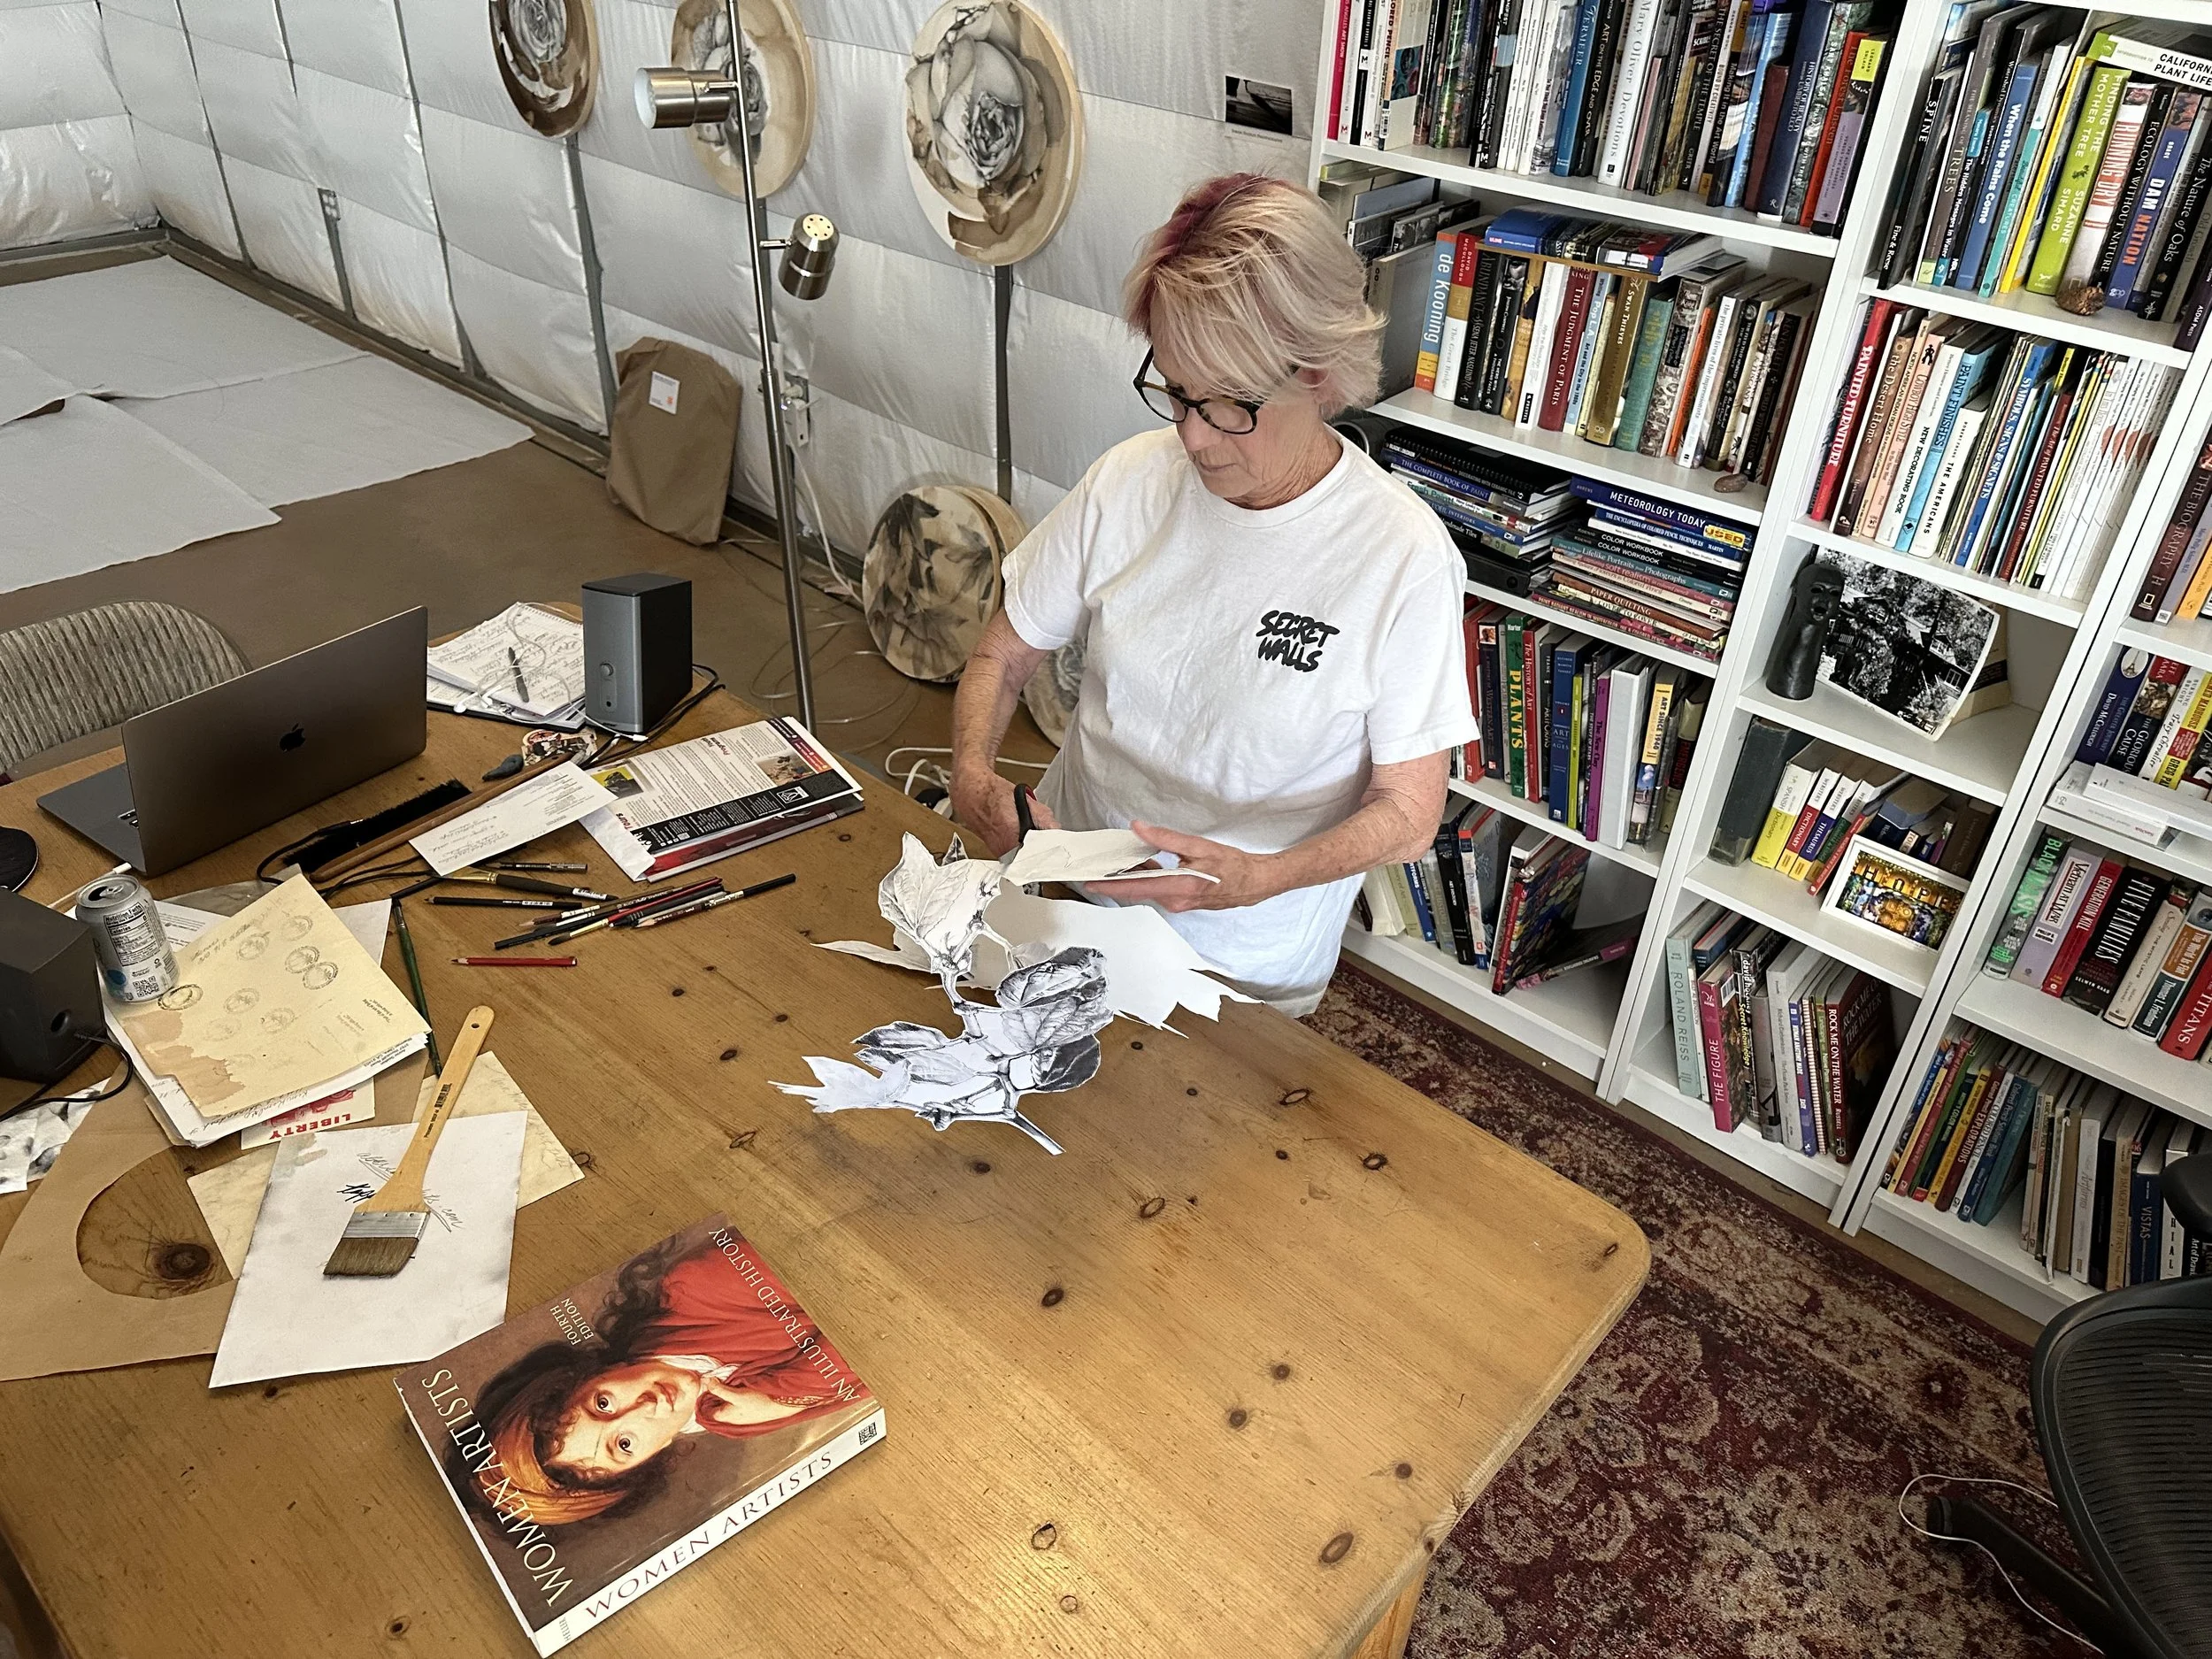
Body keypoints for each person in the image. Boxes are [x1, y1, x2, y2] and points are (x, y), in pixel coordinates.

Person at [949, 173, 1476, 1016]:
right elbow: (1004, 654)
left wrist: (1261, 877)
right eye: (1177, 391)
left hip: (1239, 959)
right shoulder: (1129, 481)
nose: (1193, 436)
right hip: (1070, 888)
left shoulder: (1401, 558)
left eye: (1229, 403)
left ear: (1319, 374)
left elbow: (1410, 814)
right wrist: (973, 771)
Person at [462, 1234, 870, 1527]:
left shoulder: (698, 1285)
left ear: (591, 1373)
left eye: (603, 1404)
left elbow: (859, 1305)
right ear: (646, 1462)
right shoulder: (729, 1418)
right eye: (624, 1445)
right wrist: (773, 1403)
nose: (645, 1408)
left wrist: (780, 1401)